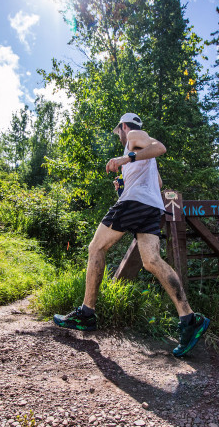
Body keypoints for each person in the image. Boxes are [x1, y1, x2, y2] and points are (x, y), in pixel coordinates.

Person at [53, 113, 210, 357]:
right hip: (150, 207)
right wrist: (125, 185)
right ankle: (189, 319)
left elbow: (160, 147)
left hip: (135, 203)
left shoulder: (134, 136)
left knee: (95, 248)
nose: (120, 137)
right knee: (151, 260)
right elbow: (156, 183)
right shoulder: (142, 152)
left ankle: (86, 314)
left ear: (123, 127)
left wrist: (126, 157)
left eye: (119, 133)